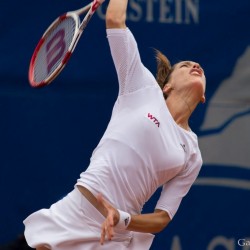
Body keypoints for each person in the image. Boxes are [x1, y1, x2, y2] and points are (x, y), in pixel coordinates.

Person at [23, 0, 206, 248]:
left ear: (203, 96)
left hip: (112, 236)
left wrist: (123, 218)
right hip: (73, 213)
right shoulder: (142, 86)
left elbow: (162, 218)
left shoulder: (192, 152)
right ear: (167, 85)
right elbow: (115, 20)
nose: (195, 66)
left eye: (200, 68)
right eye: (185, 66)